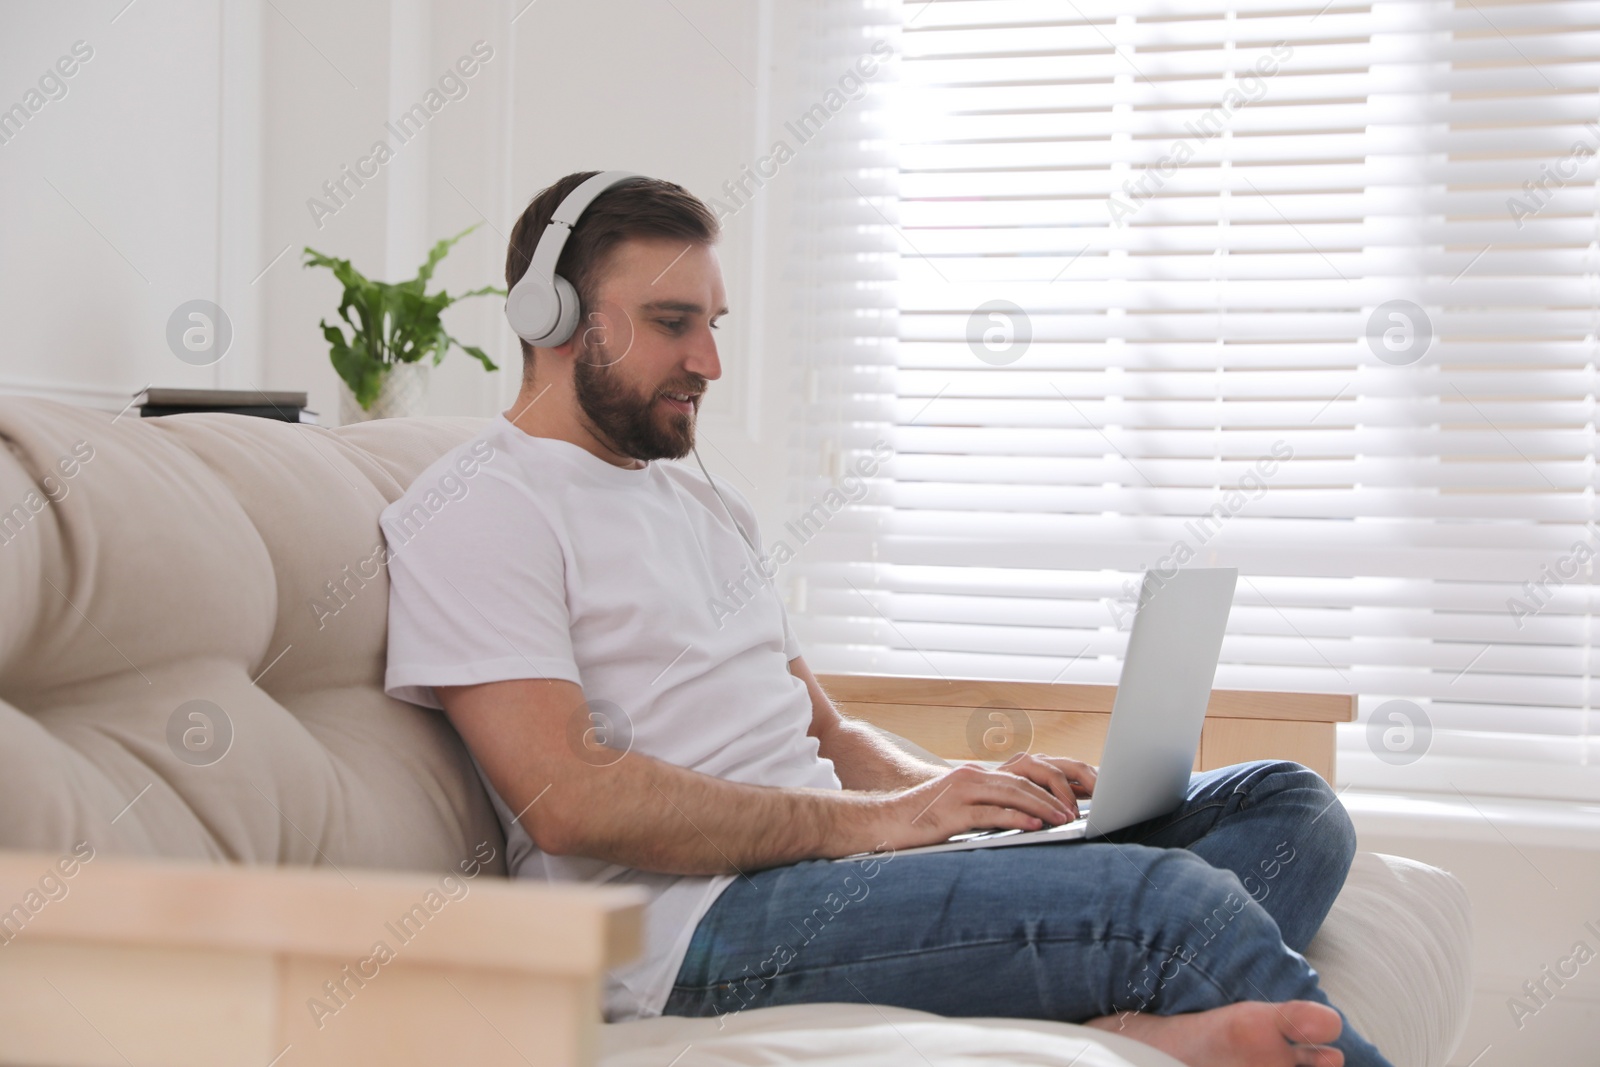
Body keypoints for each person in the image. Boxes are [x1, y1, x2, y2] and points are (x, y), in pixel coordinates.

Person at [380, 171, 1391, 1067]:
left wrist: (962, 794)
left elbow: (821, 729)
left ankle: (1117, 1020)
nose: (709, 363)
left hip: (829, 869)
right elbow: (570, 800)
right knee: (1174, 901)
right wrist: (881, 826)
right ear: (551, 315)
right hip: (688, 927)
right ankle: (1146, 992)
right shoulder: (479, 505)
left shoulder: (697, 499)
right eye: (671, 322)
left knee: (1288, 805)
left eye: (714, 325)